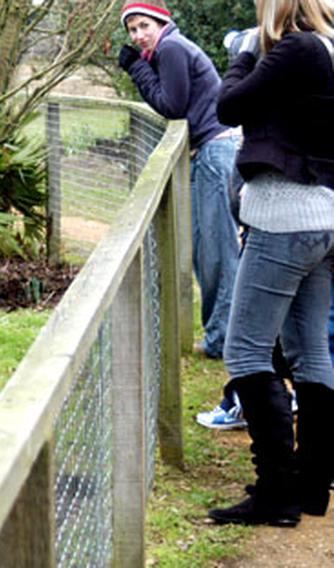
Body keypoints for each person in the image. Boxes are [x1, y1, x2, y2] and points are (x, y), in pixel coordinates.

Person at [206, 0, 334, 526]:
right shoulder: (326, 47)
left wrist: (245, 50)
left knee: (245, 351)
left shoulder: (296, 48)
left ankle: (276, 491)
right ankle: (310, 485)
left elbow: (228, 106)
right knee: (310, 353)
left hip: (285, 219)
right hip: (324, 217)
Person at [117, 1, 241, 366]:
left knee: (217, 252)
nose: (139, 36)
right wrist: (143, 66)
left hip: (216, 153)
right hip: (211, 153)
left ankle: (224, 340)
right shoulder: (169, 48)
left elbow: (171, 105)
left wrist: (138, 68)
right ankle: (219, 336)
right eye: (133, 30)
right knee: (206, 250)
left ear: (161, 22)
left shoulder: (171, 47)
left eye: (144, 26)